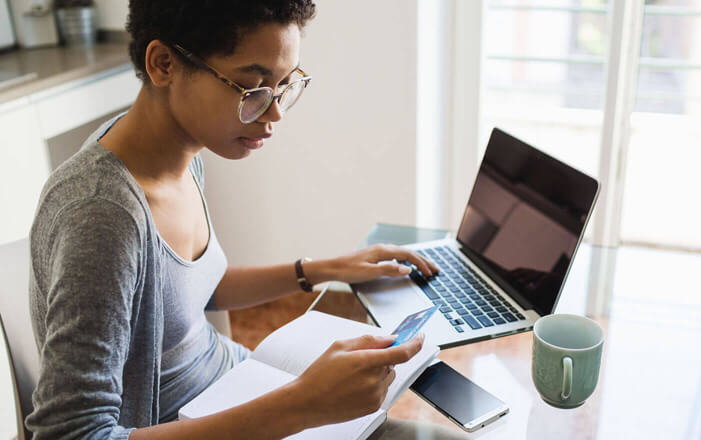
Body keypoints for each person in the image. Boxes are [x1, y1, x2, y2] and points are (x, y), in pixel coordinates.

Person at [25, 1, 438, 439]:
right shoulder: (101, 216)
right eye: (252, 87)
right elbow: (68, 434)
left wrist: (324, 269)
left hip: (236, 387)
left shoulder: (180, 153)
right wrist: (303, 405)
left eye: (284, 85)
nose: (274, 113)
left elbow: (196, 288)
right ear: (163, 63)